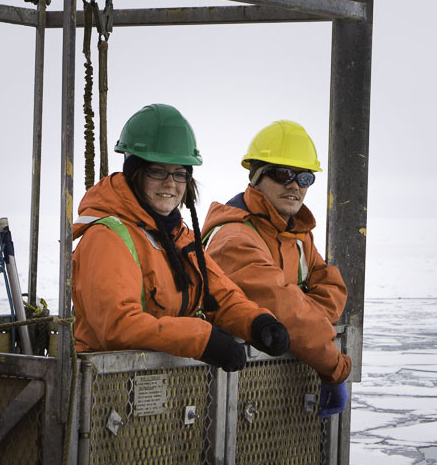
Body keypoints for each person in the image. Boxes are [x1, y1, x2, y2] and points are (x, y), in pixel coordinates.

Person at [72, 103, 291, 371]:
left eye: (180, 174)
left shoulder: (179, 236)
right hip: (104, 384)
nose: (170, 183)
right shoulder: (106, 238)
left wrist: (257, 323)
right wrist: (201, 339)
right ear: (134, 172)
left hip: (160, 383)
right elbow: (118, 325)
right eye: (157, 171)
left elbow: (219, 296)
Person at [201, 120, 350, 418]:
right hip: (222, 396)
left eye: (304, 177)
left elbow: (333, 290)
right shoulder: (234, 238)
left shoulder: (296, 235)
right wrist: (335, 368)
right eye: (283, 174)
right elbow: (284, 310)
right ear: (257, 176)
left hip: (270, 395)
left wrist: (301, 311)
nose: (294, 185)